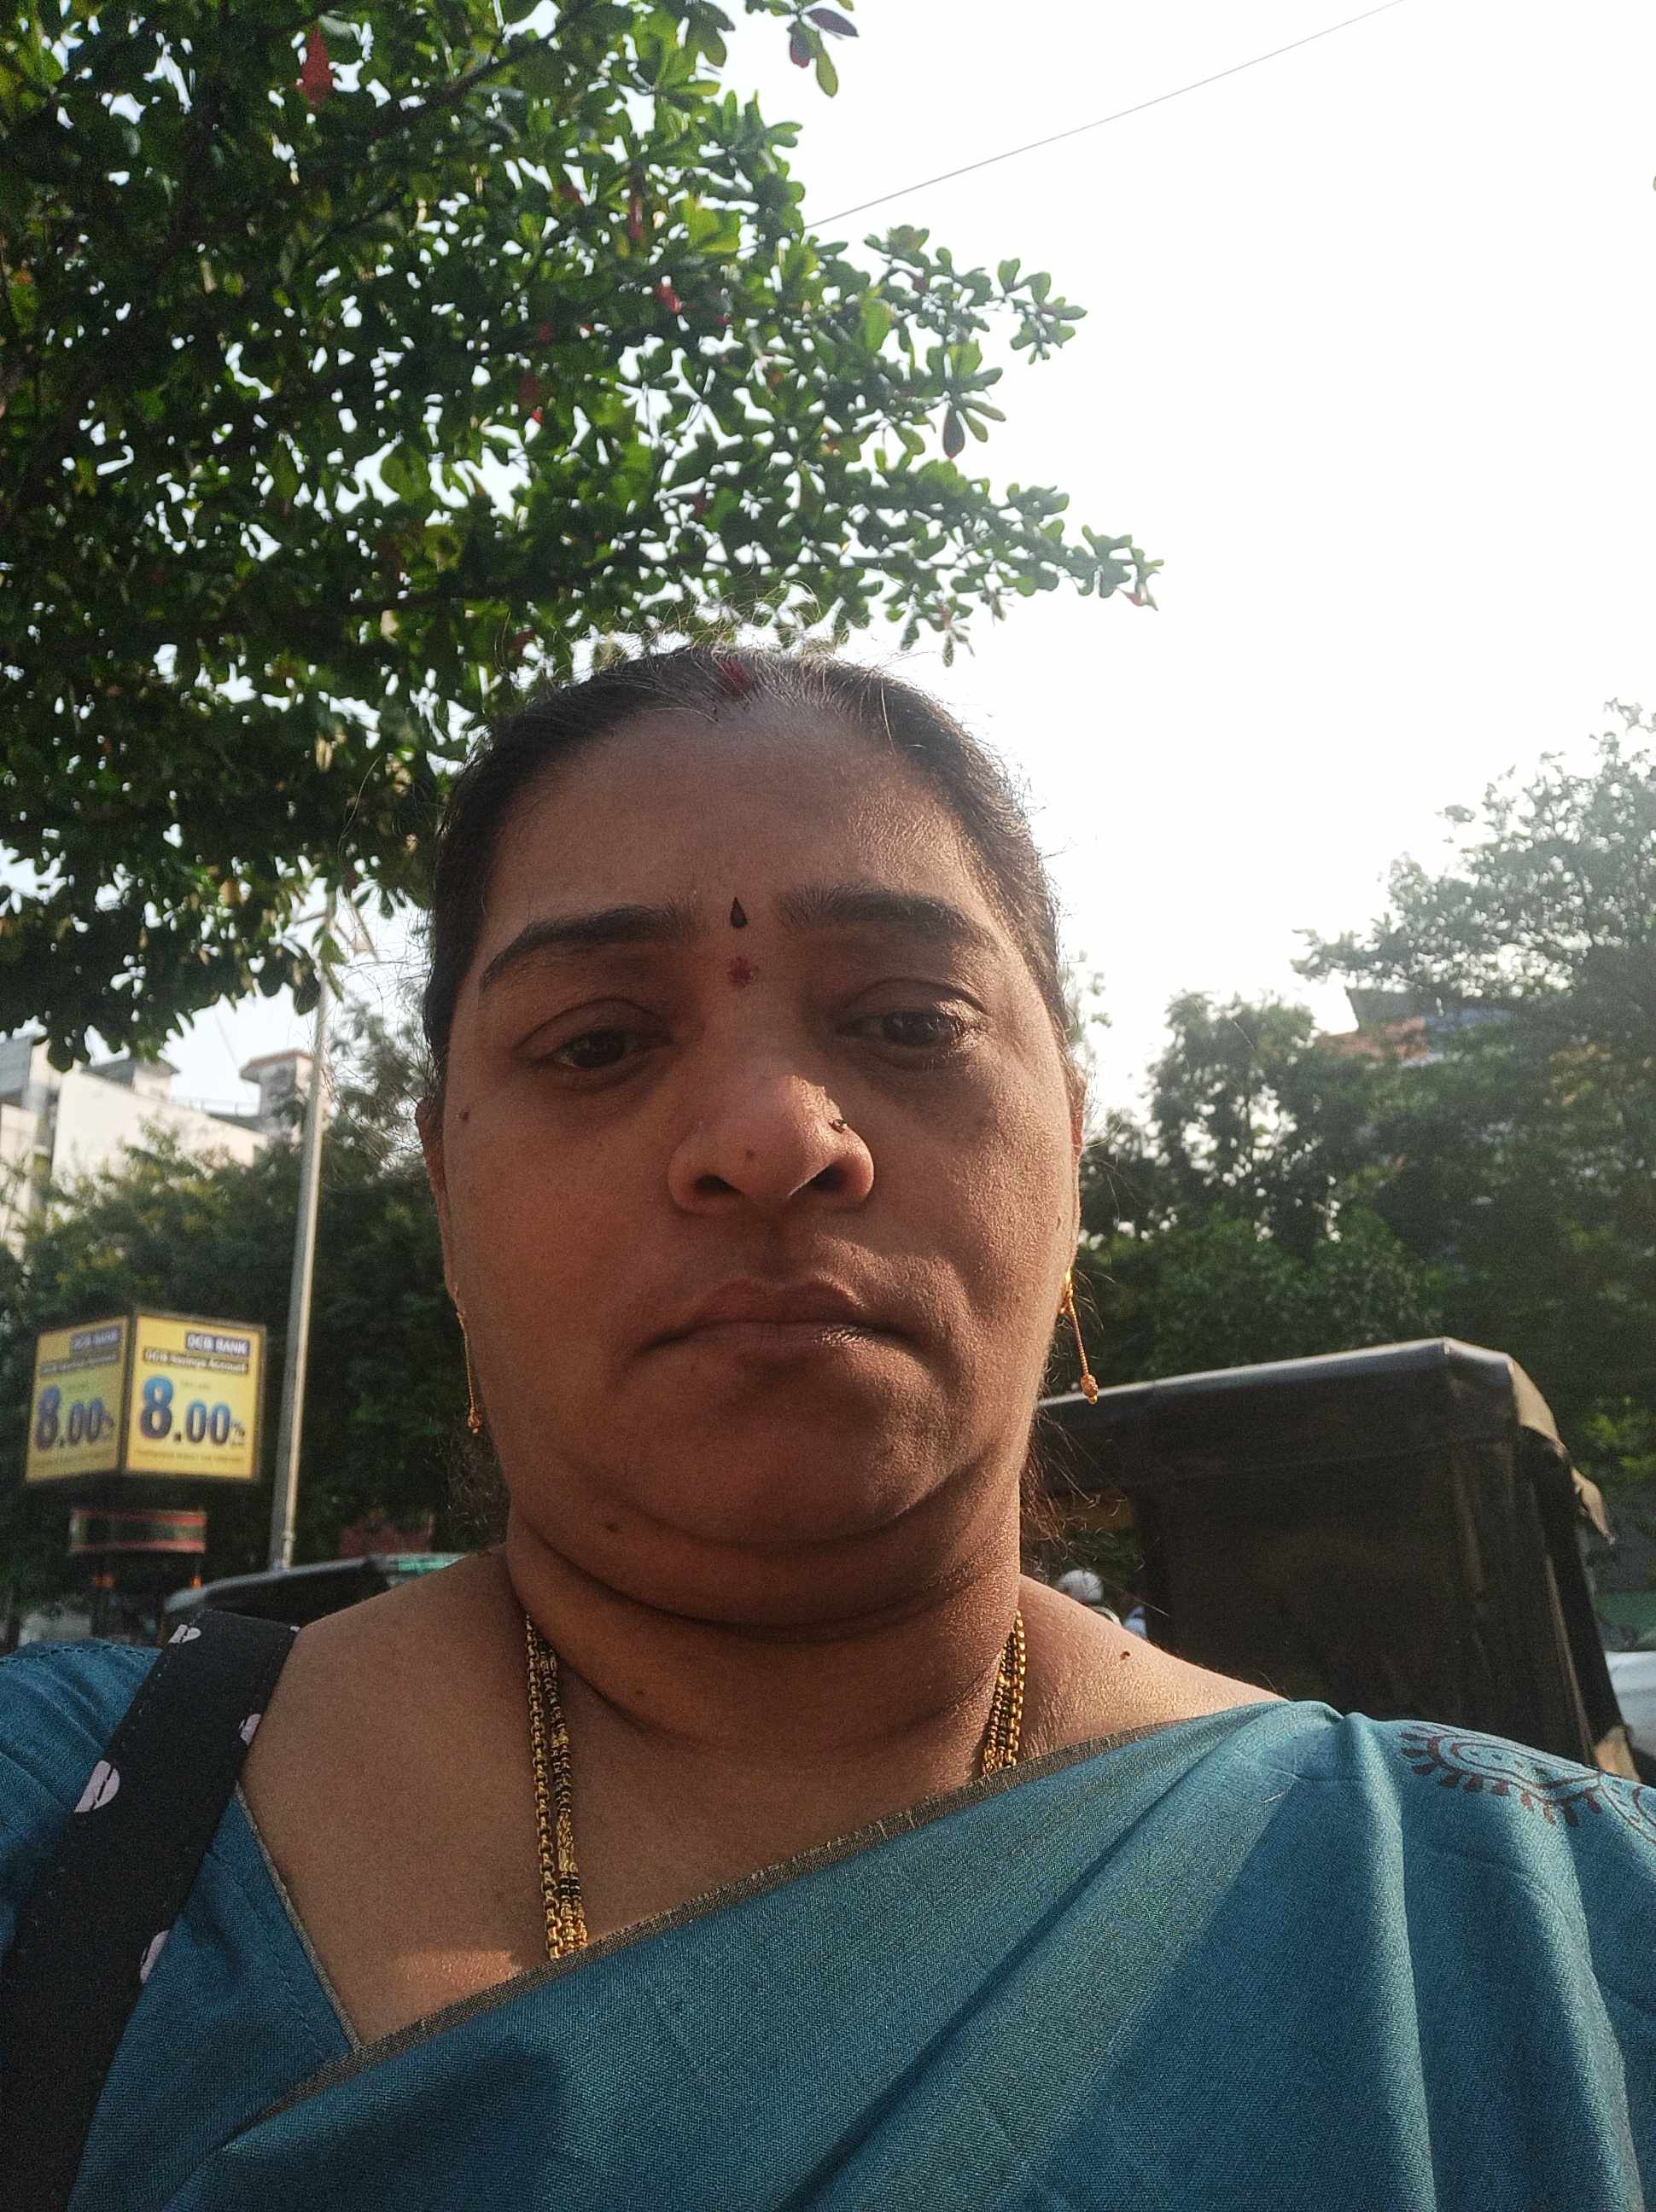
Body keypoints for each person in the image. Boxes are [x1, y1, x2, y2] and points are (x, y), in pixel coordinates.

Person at [3, 644, 1656, 2210]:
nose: (771, 1137)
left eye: (909, 1022)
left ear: (1072, 1149)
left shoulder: (1538, 1934)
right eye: (597, 1042)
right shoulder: (67, 1825)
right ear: (446, 1187)